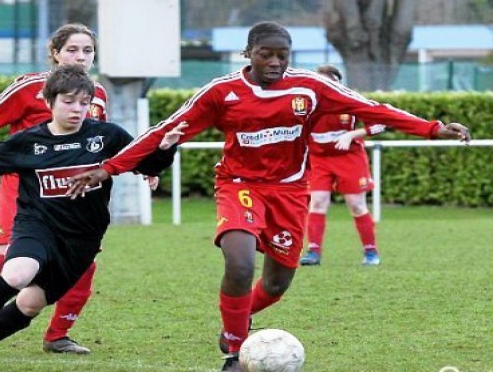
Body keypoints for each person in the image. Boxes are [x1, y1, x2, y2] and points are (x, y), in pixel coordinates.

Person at [64, 21, 470, 371]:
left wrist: (433, 128)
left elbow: (374, 109)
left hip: (291, 193)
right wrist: (109, 167)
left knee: (276, 284)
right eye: (266, 55)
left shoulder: (312, 88)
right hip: (239, 186)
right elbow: (165, 130)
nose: (275, 63)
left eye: (282, 56)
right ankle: (235, 349)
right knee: (239, 264)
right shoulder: (221, 92)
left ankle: (235, 322)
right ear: (249, 54)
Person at [0, 65, 177, 372]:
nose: (77, 109)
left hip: (82, 239)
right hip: (37, 225)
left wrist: (167, 148)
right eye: (68, 102)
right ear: (49, 102)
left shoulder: (107, 136)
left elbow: (147, 161)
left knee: (30, 304)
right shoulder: (28, 142)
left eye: (84, 103)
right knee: (18, 272)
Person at [0, 23, 109, 354]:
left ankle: (58, 336)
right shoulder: (29, 87)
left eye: (87, 50)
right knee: (5, 259)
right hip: (23, 188)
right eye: (72, 50)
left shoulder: (98, 93)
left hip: (70, 193)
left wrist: (139, 169)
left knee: (84, 265)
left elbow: (100, 142)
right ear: (55, 53)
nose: (80, 57)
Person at [299, 65, 384, 266]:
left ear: (337, 84)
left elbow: (381, 123)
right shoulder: (307, 105)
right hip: (320, 160)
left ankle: (371, 252)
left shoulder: (351, 101)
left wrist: (352, 134)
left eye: (329, 82)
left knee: (356, 204)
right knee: (317, 202)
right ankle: (313, 252)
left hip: (350, 158)